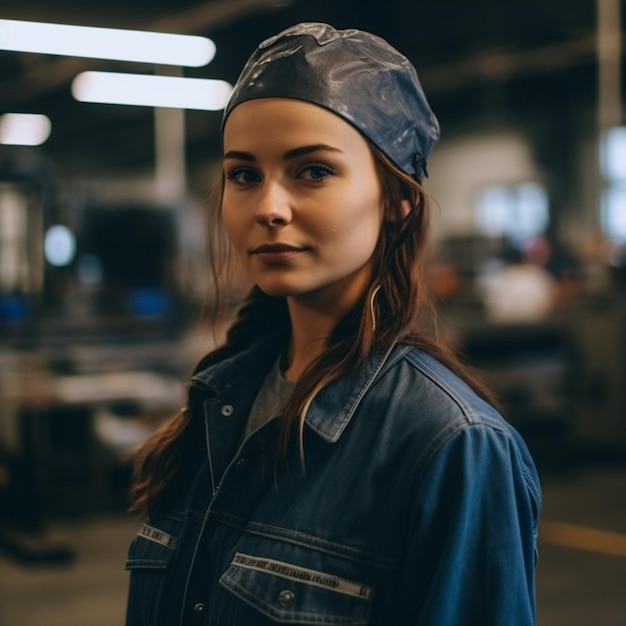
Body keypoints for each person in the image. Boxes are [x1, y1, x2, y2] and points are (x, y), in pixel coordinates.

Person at [124, 22, 541, 626]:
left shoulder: (451, 444)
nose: (268, 206)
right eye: (244, 175)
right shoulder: (218, 406)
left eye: (313, 171)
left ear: (398, 198)